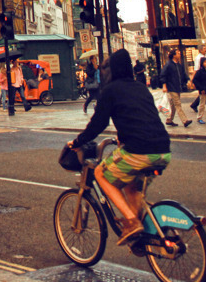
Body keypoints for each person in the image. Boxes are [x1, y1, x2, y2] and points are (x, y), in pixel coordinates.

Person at [67, 49, 171, 246]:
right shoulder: (140, 88)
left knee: (100, 174)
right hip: (163, 150)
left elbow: (98, 124)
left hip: (139, 151)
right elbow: (139, 117)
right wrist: (122, 138)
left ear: (112, 70)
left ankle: (131, 222)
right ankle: (139, 236)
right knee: (131, 184)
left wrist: (78, 142)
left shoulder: (111, 90)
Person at [161, 49, 190, 128]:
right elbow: (163, 75)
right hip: (171, 87)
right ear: (174, 55)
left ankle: (169, 120)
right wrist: (164, 86)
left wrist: (188, 81)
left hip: (178, 87)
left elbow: (183, 74)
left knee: (173, 105)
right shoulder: (168, 64)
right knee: (178, 104)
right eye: (178, 53)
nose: (179, 54)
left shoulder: (179, 65)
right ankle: (185, 120)